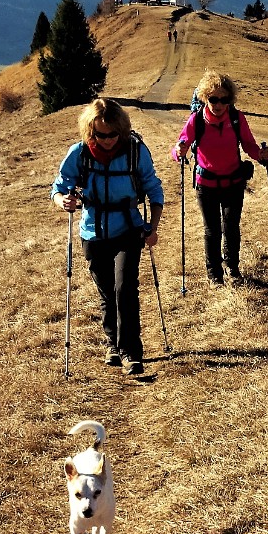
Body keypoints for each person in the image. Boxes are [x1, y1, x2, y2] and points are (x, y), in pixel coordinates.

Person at [53, 98, 164, 375]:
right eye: (101, 134)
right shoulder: (79, 154)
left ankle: (130, 352)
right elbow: (59, 186)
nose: (107, 140)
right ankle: (112, 343)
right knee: (106, 291)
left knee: (124, 287)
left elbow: (154, 188)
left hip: (128, 228)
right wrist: (62, 201)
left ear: (122, 130)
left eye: (113, 134)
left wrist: (153, 226)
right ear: (90, 130)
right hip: (92, 232)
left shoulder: (136, 152)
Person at [172, 71, 268, 286]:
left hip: (233, 183)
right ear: (205, 97)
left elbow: (249, 145)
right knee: (212, 231)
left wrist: (261, 155)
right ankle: (214, 274)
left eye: (223, 99)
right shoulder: (196, 120)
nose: (218, 104)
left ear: (229, 100)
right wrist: (178, 151)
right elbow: (181, 145)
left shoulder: (236, 118)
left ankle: (232, 269)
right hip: (205, 186)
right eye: (213, 99)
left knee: (231, 228)